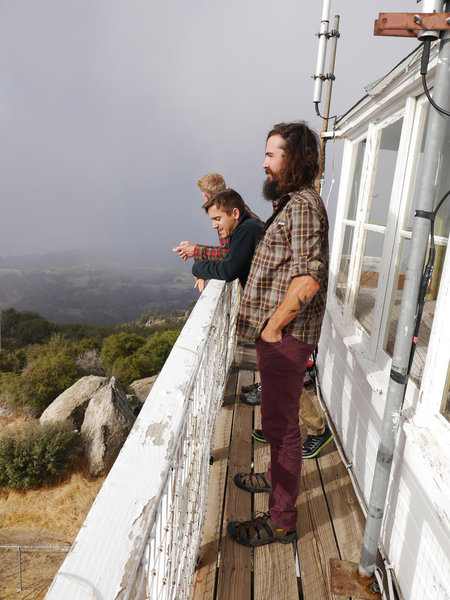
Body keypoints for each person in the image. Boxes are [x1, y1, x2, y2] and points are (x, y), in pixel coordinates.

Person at [227, 121, 329, 547]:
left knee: (282, 427)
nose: (263, 163)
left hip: (284, 339)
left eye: (271, 154)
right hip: (281, 338)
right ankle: (273, 477)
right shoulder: (291, 204)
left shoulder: (303, 206)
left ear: (294, 158)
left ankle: (282, 520)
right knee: (277, 423)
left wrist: (272, 327)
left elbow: (310, 277)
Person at [173, 173, 261, 263]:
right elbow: (229, 250)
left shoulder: (226, 219)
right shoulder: (239, 207)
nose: (214, 225)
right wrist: (195, 249)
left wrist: (196, 251)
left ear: (206, 197)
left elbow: (228, 254)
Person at [191, 188, 262, 290]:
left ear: (235, 214)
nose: (214, 226)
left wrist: (197, 268)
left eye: (217, 219)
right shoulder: (247, 227)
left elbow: (228, 270)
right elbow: (231, 260)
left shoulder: (249, 229)